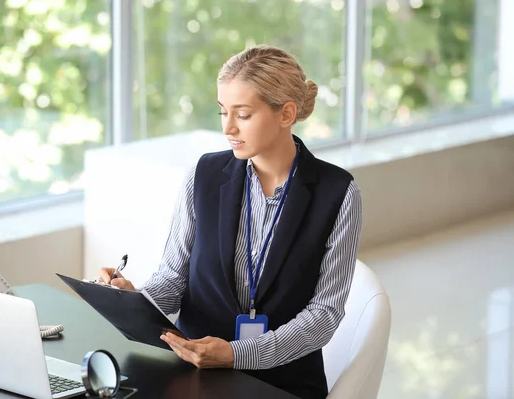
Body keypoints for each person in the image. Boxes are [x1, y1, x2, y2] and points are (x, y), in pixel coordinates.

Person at [98, 45, 362, 399]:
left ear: (286, 114)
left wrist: (237, 354)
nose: (228, 127)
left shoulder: (338, 193)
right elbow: (174, 277)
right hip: (189, 370)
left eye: (243, 114)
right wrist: (133, 298)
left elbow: (324, 315)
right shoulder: (204, 174)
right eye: (223, 112)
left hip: (279, 382)